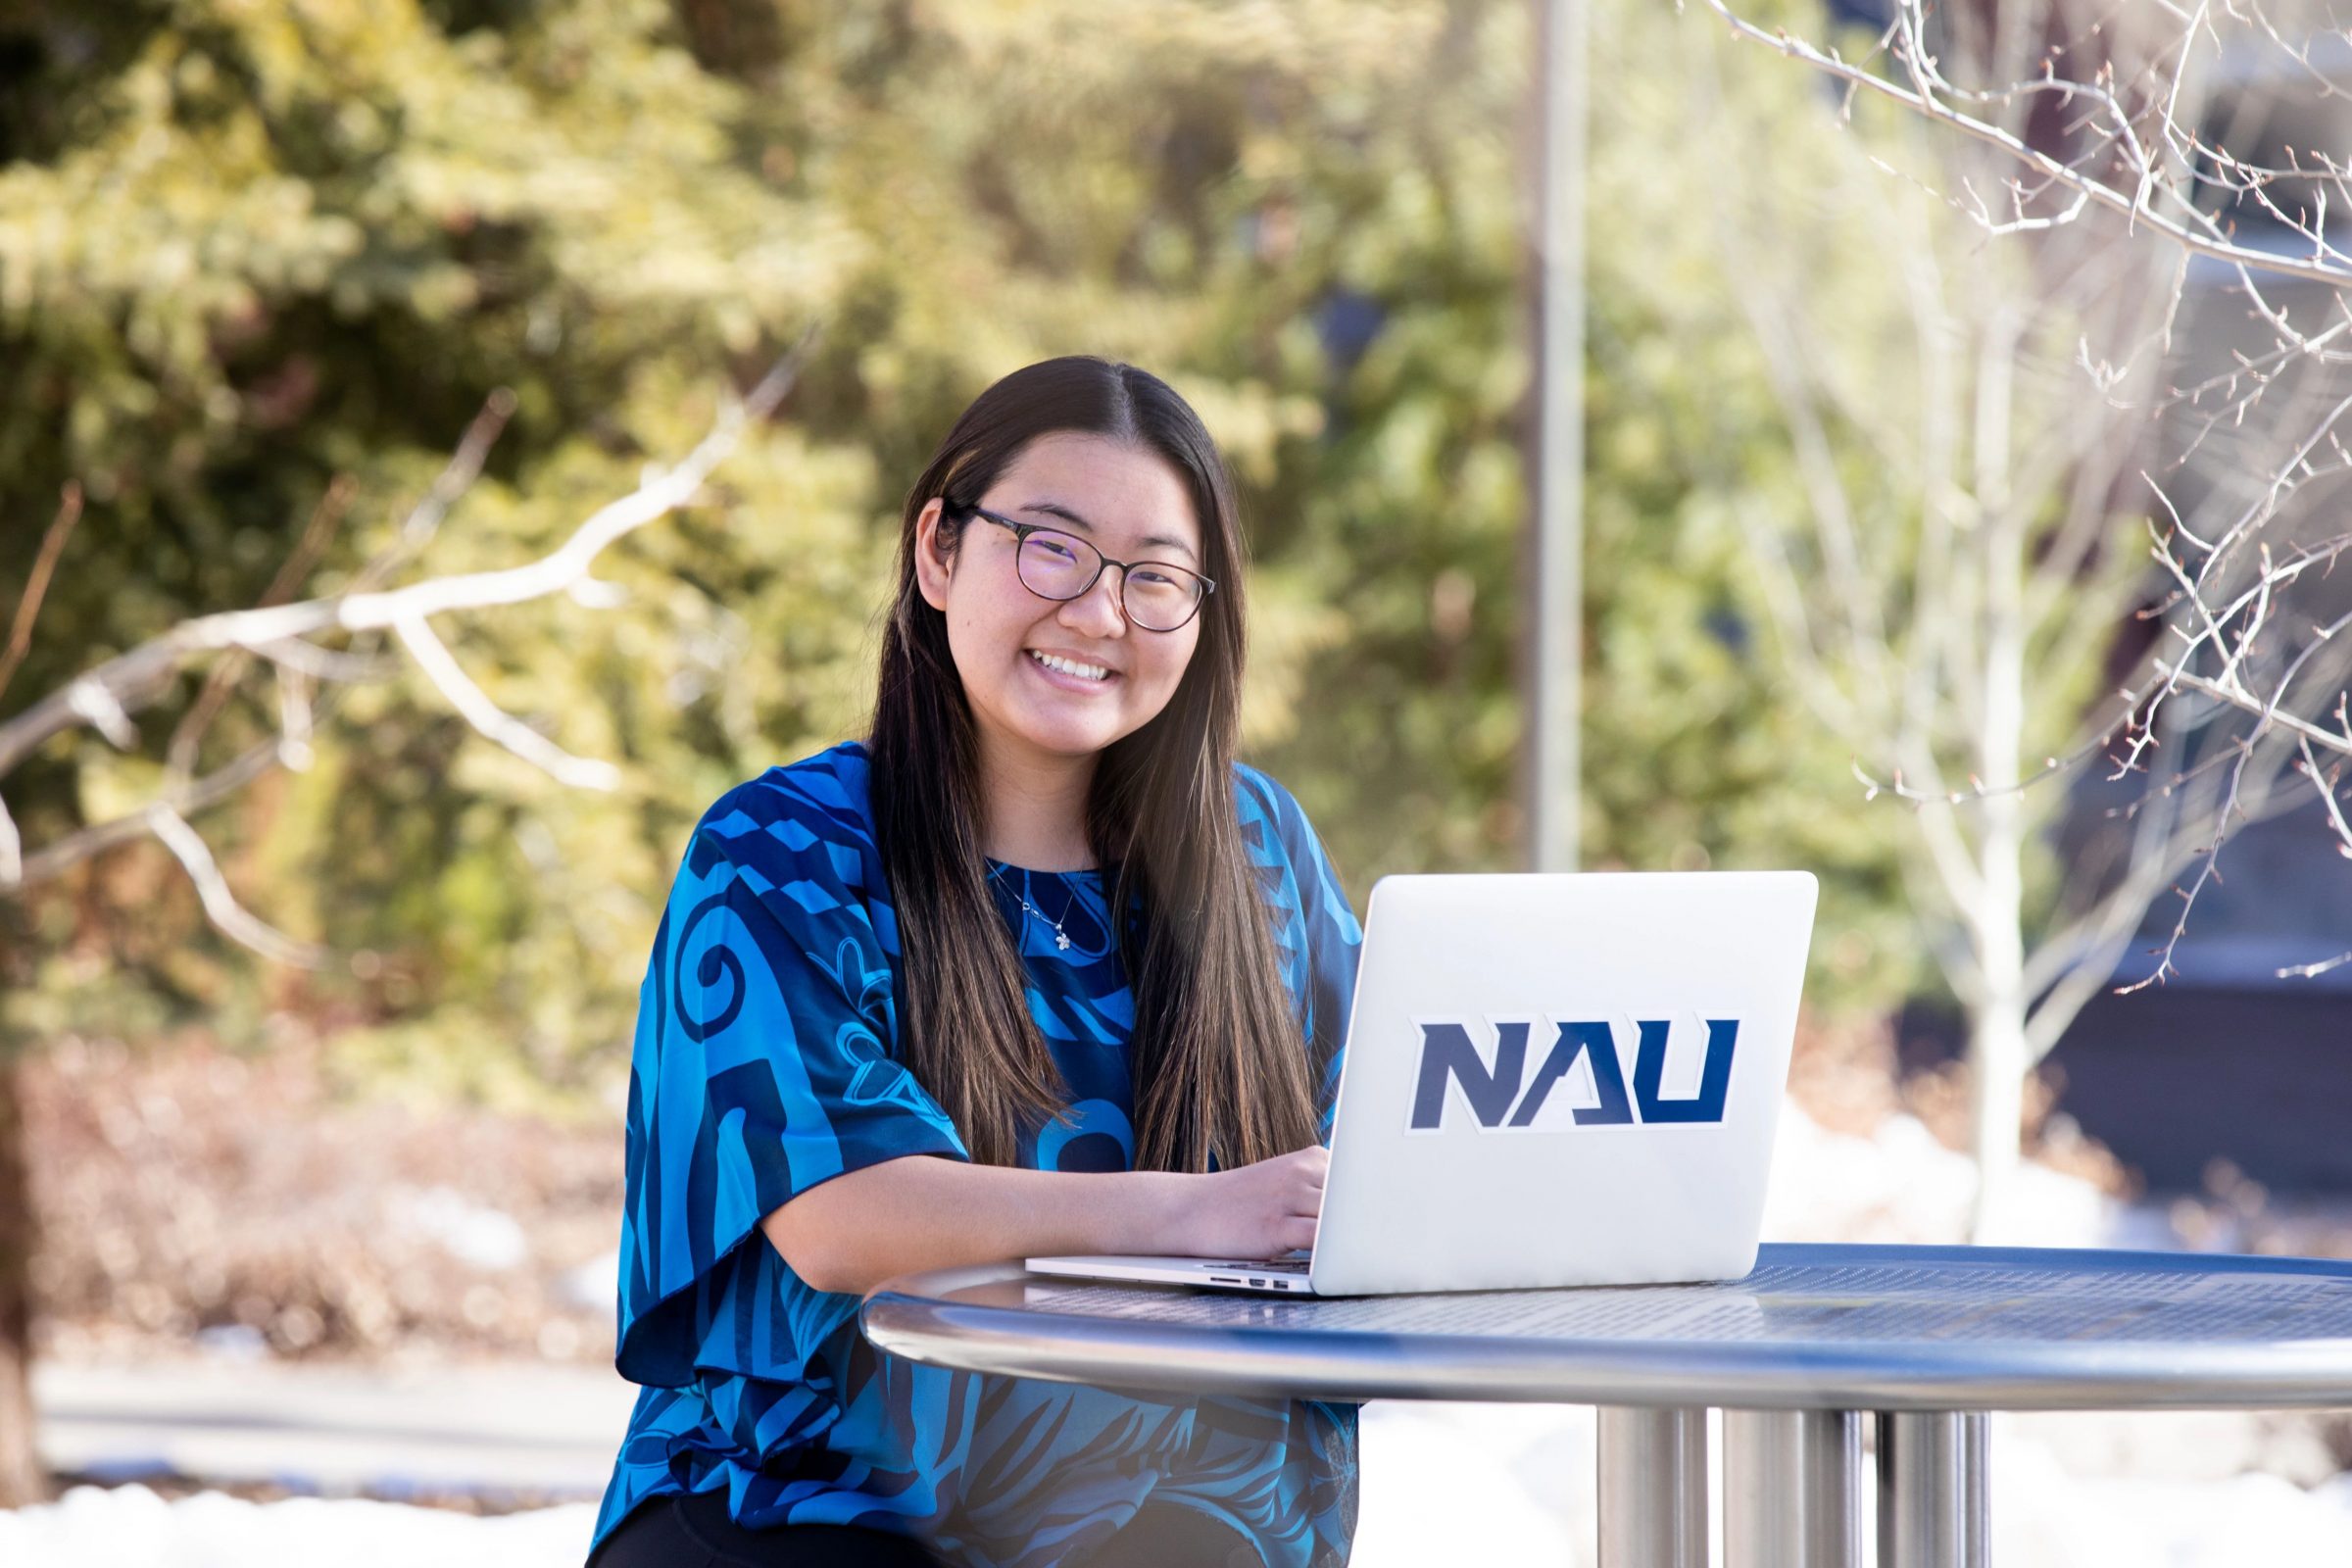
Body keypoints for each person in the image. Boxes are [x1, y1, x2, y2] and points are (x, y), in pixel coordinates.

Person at [585, 356, 1364, 1568]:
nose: (1100, 612)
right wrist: (1196, 1212)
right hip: (813, 1506)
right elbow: (839, 1214)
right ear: (938, 552)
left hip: (1184, 1516)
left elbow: (1391, 1137)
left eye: (1155, 576)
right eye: (1052, 547)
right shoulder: (784, 850)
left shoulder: (1259, 850)